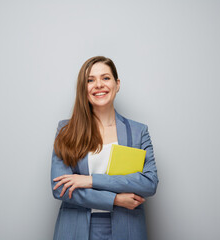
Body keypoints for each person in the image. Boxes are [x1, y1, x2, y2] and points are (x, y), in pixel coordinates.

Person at [51, 56, 158, 240]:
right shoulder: (66, 130)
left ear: (117, 84)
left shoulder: (138, 131)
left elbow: (149, 183)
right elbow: (59, 187)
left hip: (127, 228)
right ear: (83, 88)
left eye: (105, 78)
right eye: (90, 80)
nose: (98, 84)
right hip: (76, 229)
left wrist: (90, 180)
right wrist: (115, 200)